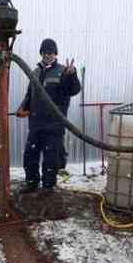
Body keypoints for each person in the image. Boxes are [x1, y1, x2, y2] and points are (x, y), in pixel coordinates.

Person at [17, 38, 81, 193]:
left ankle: (48, 186)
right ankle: (31, 182)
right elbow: (30, 93)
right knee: (30, 154)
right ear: (41, 53)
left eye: (51, 53)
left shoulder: (63, 71)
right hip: (36, 122)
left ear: (55, 54)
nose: (48, 55)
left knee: (50, 157)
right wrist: (23, 107)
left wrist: (72, 75)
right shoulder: (35, 71)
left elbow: (73, 90)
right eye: (45, 52)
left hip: (54, 124)